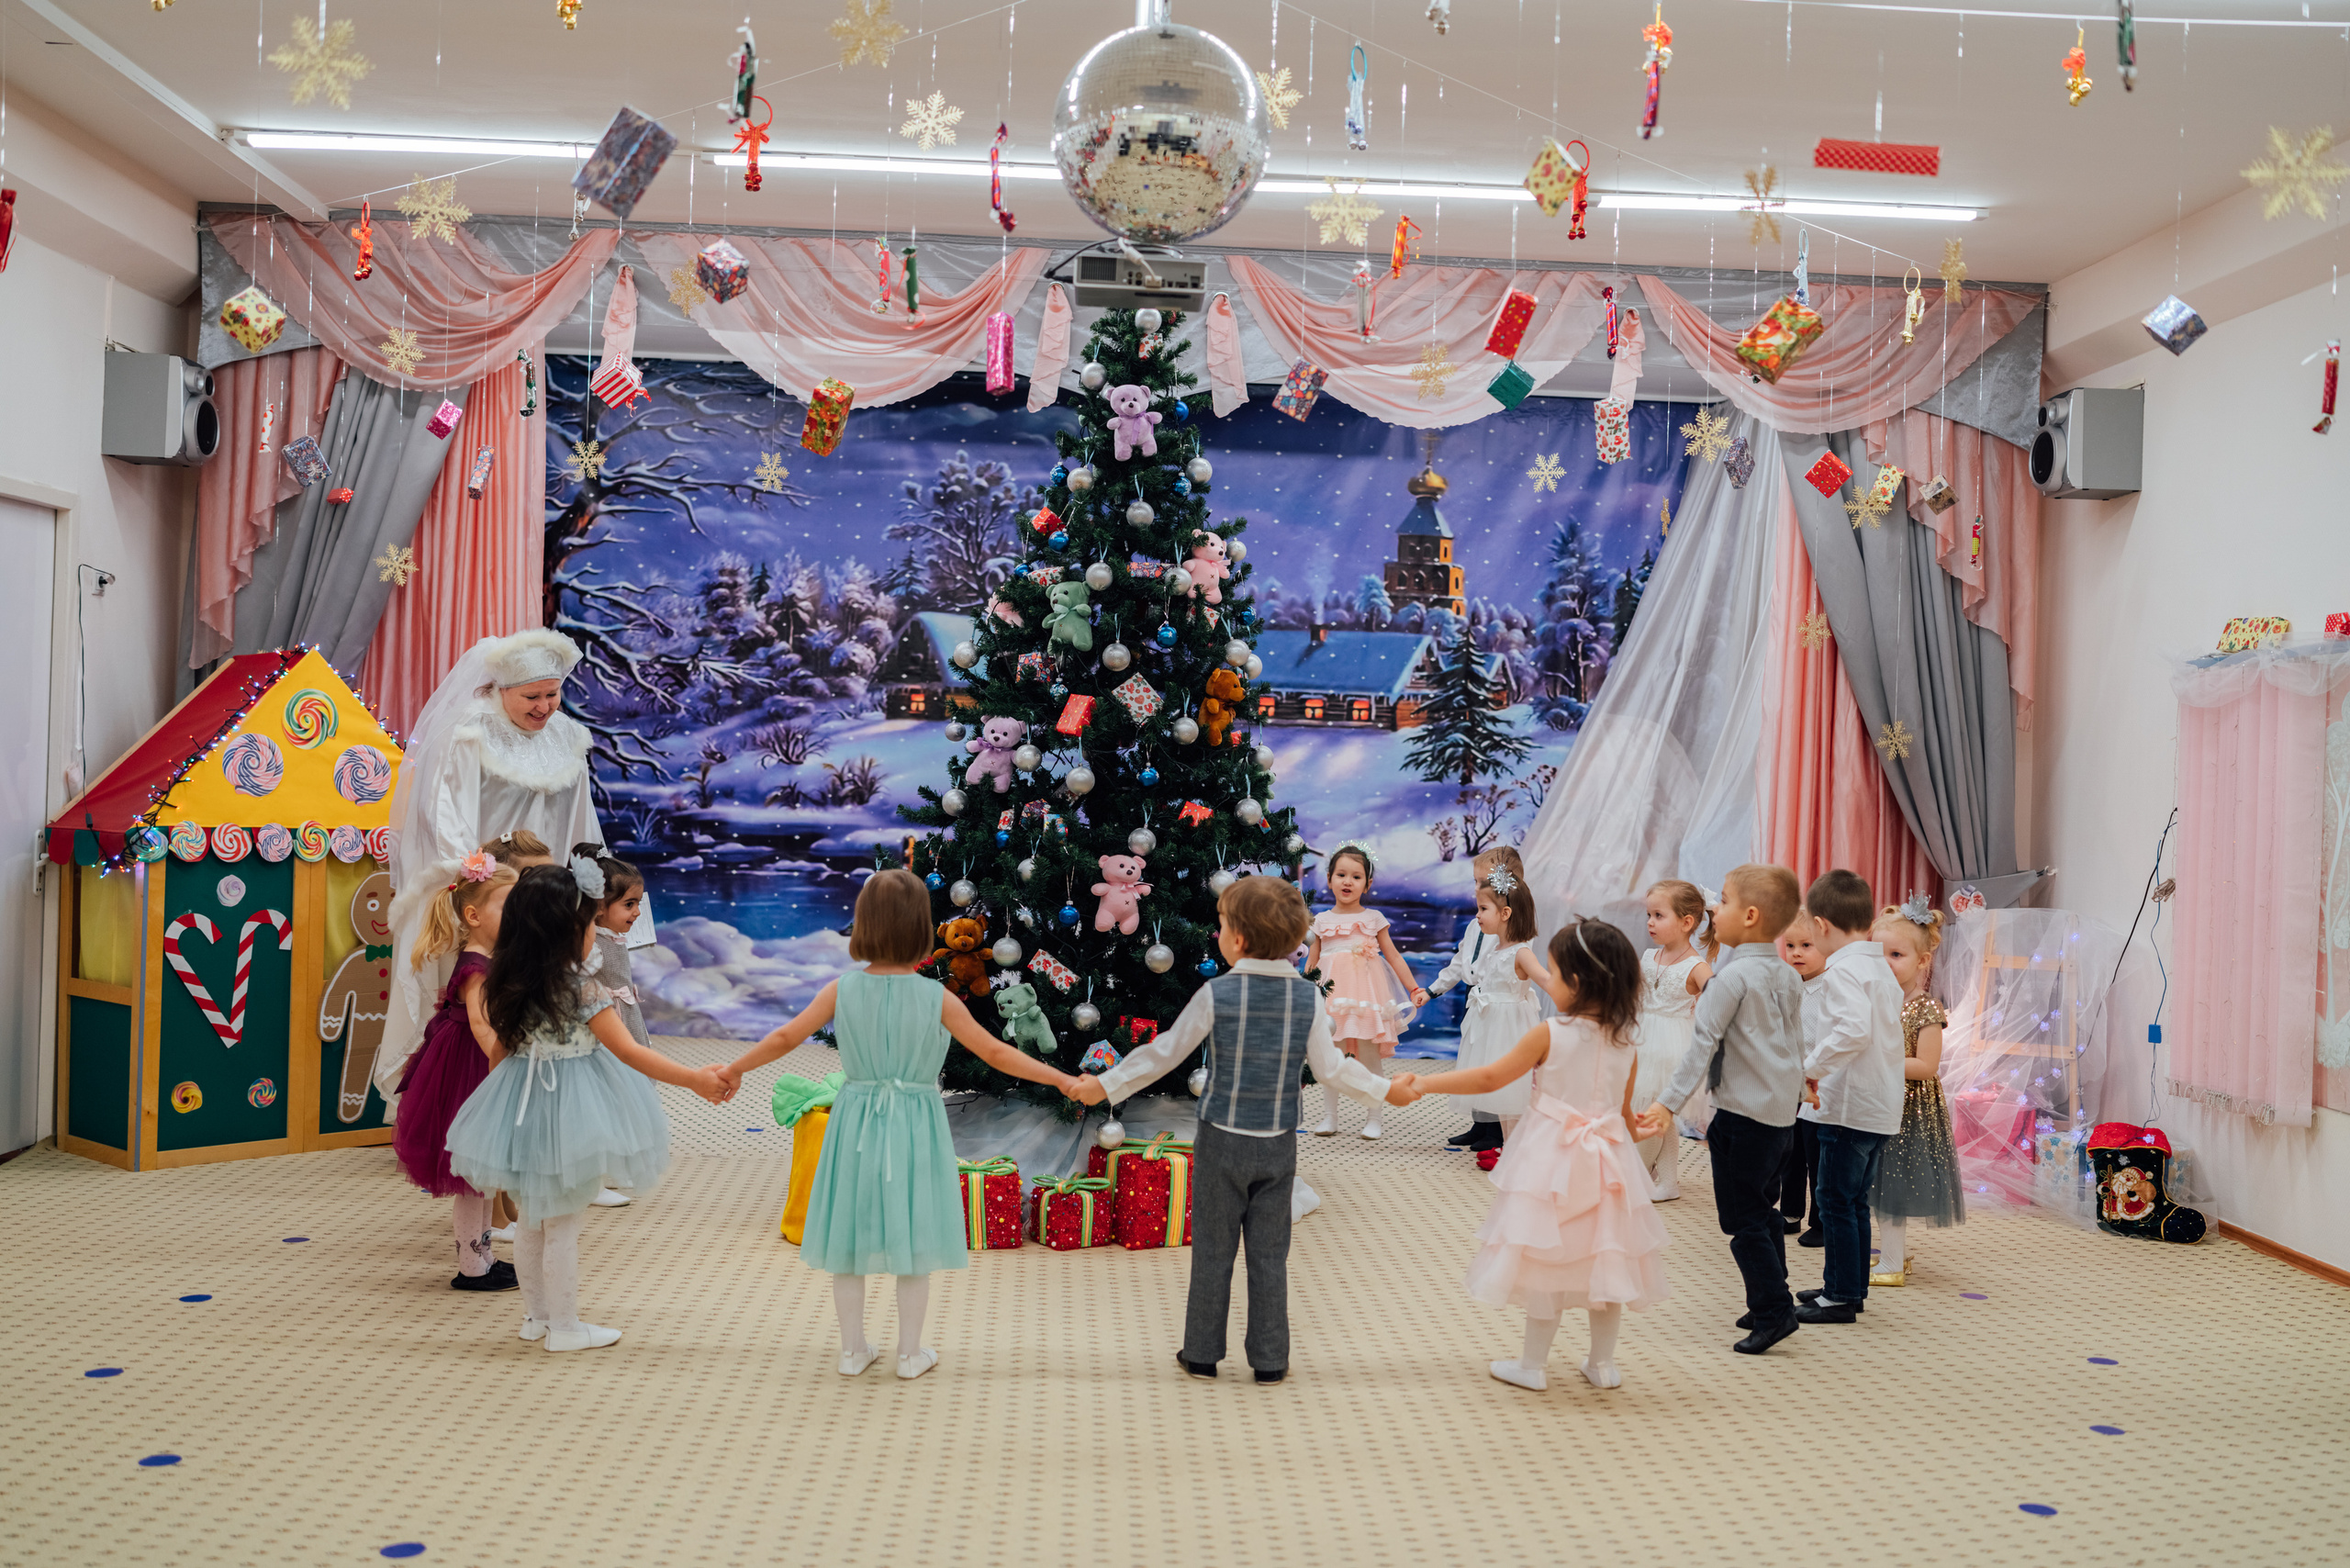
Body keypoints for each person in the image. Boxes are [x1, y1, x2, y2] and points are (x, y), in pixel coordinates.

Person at [715, 870, 1082, 1381]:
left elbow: (783, 1037)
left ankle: (852, 1350)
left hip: (856, 1118)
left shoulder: (841, 989)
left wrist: (734, 1068)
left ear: (863, 926)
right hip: (914, 1121)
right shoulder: (938, 998)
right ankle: (910, 1353)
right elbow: (997, 1053)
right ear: (922, 930)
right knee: (915, 1231)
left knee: (850, 1231)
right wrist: (1061, 1079)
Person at [1071, 874, 1408, 1383]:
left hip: (1222, 1138)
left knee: (1213, 1250)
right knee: (1270, 1256)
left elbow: (1164, 1054)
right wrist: (1387, 1091)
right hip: (1277, 1144)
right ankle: (1270, 1360)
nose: (1220, 934)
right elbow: (1334, 1070)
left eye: (1223, 926)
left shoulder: (1217, 993)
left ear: (1240, 940)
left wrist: (1105, 1086)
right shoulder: (1307, 999)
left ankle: (1202, 1352)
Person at [444, 860, 729, 1353]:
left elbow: (498, 1052)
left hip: (524, 1104)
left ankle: (536, 1317)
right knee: (564, 1227)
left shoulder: (509, 980)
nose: (595, 935)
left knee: (534, 1218)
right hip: (573, 1110)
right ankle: (567, 1327)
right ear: (565, 931)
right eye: (590, 925)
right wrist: (696, 1079)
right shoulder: (583, 989)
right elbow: (631, 1052)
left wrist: (497, 1116)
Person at [1392, 918, 1669, 1393]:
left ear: (1576, 984)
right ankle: (1601, 1365)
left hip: (1553, 1162)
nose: (1548, 982)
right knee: (1607, 1258)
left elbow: (1489, 1078)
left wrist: (1424, 1083)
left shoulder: (1550, 1032)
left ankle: (1532, 1365)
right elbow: (1624, 1117)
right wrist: (1642, 1125)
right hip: (1609, 1165)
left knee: (1547, 1258)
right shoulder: (1627, 1041)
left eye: (1554, 974)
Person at [375, 631, 606, 1114]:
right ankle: (456, 1109)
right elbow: (444, 813)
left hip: (542, 885)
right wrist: (481, 881)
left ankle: (532, 1108)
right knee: (476, 998)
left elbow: (581, 816)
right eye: (532, 696)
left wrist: (583, 882)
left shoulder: (564, 734)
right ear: (502, 690)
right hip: (489, 887)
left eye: (552, 693)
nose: (544, 707)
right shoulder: (469, 732)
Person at [1634, 864, 1807, 1355]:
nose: (1715, 910)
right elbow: (1796, 1039)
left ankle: (1774, 1311)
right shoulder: (1787, 974)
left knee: (1742, 1218)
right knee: (1765, 1209)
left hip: (1741, 1115)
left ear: (1749, 916)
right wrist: (1804, 1084)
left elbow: (1701, 1047)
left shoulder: (1729, 980)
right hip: (1780, 1116)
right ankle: (1773, 1296)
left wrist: (1667, 1105)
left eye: (1724, 902)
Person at [386, 851, 518, 1290]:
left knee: (480, 1175)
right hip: (471, 1064)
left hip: (471, 1058)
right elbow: (481, 1025)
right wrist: (502, 1065)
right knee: (470, 1176)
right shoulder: (476, 966)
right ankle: (471, 1266)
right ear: (473, 914)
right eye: (507, 906)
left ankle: (483, 1254)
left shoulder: (488, 956)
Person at [1787, 870, 1905, 1327]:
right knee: (1853, 1203)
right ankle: (1848, 1287)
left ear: (1819, 924)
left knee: (1835, 1199)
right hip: (1878, 1105)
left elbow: (1851, 1032)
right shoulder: (1879, 967)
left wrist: (1810, 1069)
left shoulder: (1843, 971)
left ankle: (1838, 1296)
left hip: (1848, 1106)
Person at [1867, 897, 1965, 1285]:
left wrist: (1876, 1062)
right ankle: (1893, 1255)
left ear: (1922, 961)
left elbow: (1926, 1066)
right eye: (1877, 955)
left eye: (1896, 954)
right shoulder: (1875, 1000)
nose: (1885, 963)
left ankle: (1891, 1263)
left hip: (1908, 1108)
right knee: (1874, 1182)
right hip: (1876, 1102)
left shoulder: (1924, 1008)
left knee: (1892, 1184)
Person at [1303, 842, 1428, 1140]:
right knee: (1330, 1057)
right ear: (1330, 878)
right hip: (1331, 996)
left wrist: (1413, 987)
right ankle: (1330, 1117)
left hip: (1366, 996)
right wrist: (1303, 990)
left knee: (1370, 1056)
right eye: (1341, 875)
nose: (1348, 882)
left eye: (1356, 877)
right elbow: (1313, 959)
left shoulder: (1373, 918)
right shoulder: (1321, 920)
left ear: (1368, 884)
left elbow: (1394, 956)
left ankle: (1374, 1117)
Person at [1427, 846, 1530, 1152]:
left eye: (1483, 882)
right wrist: (1434, 989)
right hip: (1477, 999)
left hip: (1500, 1004)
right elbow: (1461, 961)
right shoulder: (1477, 923)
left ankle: (1497, 1132)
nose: (1477, 889)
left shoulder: (1515, 926)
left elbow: (1517, 964)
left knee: (1496, 1060)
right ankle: (1480, 1123)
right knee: (1476, 1057)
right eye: (1475, 882)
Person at [1447, 866, 1553, 1148]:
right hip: (1489, 1025)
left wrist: (1576, 998)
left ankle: (1518, 1151)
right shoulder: (1495, 949)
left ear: (1505, 914)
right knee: (1502, 1095)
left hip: (1509, 1029)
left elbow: (1545, 979)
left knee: (1513, 1092)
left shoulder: (1521, 952)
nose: (1477, 916)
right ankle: (1509, 1150)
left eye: (1482, 909)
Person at [1630, 879, 1716, 1201]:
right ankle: (1666, 1182)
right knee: (1654, 1115)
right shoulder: (1649, 955)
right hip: (1640, 1041)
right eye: (1649, 915)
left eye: (1658, 915)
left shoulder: (1697, 966)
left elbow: (1720, 998)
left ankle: (1637, 1174)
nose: (1650, 922)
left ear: (1687, 922)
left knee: (1655, 1113)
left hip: (1669, 1049)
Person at [1776, 922, 1828, 1247]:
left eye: (1806, 945)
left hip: (1820, 1081)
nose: (1796, 953)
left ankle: (1821, 1221)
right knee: (1788, 1150)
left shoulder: (1832, 986)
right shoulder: (1786, 984)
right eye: (1791, 945)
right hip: (1788, 1078)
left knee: (1818, 1153)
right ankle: (1790, 1212)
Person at [576, 844, 649, 1047]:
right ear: (599, 906)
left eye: (638, 904)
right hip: (608, 1020)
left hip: (626, 1013)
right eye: (629, 904)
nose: (637, 912)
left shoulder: (613, 938)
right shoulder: (591, 945)